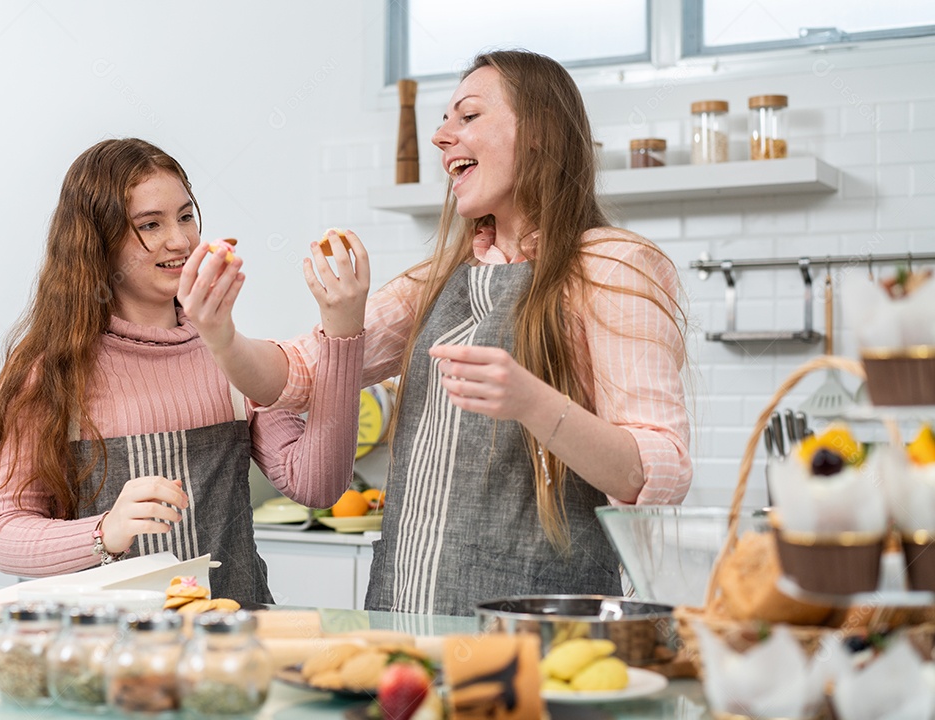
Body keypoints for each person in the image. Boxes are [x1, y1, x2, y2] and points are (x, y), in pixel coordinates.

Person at [183, 50, 692, 616]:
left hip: (543, 631)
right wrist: (221, 334)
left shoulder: (613, 264)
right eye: (446, 119)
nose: (441, 136)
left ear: (540, 135)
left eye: (468, 116)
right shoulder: (435, 283)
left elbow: (659, 472)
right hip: (402, 617)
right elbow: (299, 375)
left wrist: (532, 402)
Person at [0, 138, 367, 603]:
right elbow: (4, 534)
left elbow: (317, 484)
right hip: (110, 658)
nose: (181, 241)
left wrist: (343, 332)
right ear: (98, 242)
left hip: (234, 649)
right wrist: (105, 531)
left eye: (186, 216)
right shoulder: (49, 373)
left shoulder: (229, 354)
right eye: (151, 224)